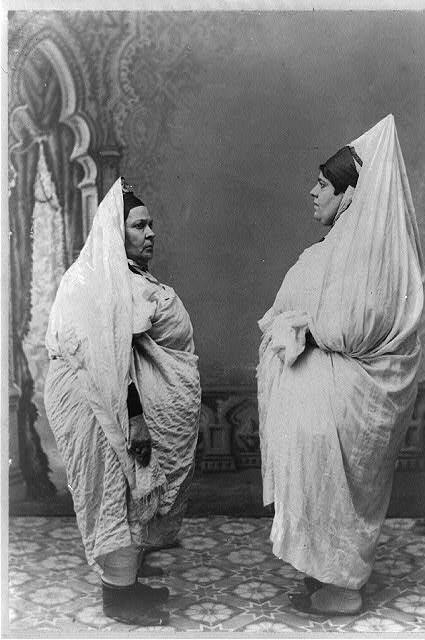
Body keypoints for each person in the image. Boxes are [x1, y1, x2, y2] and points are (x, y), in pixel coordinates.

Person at [257, 115, 424, 615]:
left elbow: (351, 326)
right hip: (336, 389)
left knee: (325, 464)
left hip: (355, 392)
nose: (312, 192)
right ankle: (324, 572)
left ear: (349, 196)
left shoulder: (370, 254)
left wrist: (307, 327)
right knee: (314, 462)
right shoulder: (340, 249)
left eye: (324, 185)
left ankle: (342, 586)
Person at [44, 177, 201, 625]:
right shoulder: (93, 280)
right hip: (96, 401)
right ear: (116, 232)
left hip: (115, 395)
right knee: (117, 487)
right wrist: (134, 419)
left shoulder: (124, 276)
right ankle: (118, 597)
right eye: (138, 226)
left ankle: (127, 584)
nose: (150, 233)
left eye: (151, 225)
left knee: (134, 490)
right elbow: (106, 359)